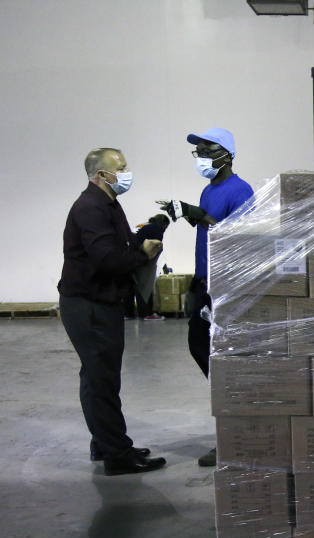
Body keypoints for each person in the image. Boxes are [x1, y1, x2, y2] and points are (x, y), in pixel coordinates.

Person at [58, 148, 168, 476]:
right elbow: (106, 259)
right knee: (102, 378)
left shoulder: (106, 204)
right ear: (100, 175)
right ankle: (117, 455)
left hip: (95, 301)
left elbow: (116, 247)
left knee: (95, 377)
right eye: (119, 168)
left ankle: (104, 441)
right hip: (90, 305)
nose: (126, 172)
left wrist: (146, 236)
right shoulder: (91, 207)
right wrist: (143, 255)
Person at [159, 128, 254, 467]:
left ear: (226, 154)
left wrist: (198, 215)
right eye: (196, 152)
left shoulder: (240, 190)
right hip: (206, 283)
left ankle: (234, 432)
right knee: (200, 348)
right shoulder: (207, 189)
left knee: (222, 360)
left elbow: (238, 239)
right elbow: (208, 235)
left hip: (226, 287)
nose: (200, 157)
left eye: (206, 150)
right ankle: (231, 418)